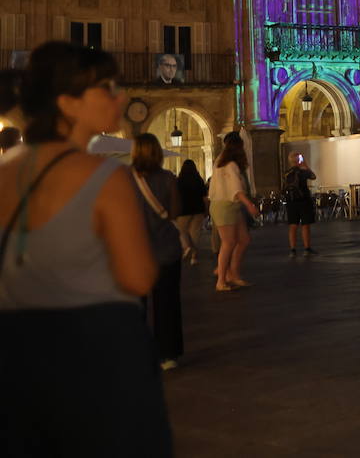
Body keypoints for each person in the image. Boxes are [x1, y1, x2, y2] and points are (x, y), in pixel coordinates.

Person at [0, 42, 173, 455]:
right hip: (97, 350)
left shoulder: (5, 173)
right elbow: (138, 277)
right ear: (68, 103)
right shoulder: (104, 177)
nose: (122, 95)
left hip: (16, 351)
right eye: (107, 87)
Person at [130, 133, 184, 369]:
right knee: (167, 303)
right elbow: (175, 213)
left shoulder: (124, 180)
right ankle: (168, 354)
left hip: (134, 253)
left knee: (135, 306)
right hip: (166, 251)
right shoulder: (169, 179)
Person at [210, 132, 260, 291]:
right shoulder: (230, 164)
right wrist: (249, 205)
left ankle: (233, 273)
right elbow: (235, 189)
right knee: (228, 242)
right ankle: (221, 280)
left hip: (230, 205)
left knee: (244, 239)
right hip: (225, 205)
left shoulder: (220, 161)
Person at [282, 153, 317, 257]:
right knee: (305, 224)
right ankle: (307, 248)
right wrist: (305, 165)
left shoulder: (286, 173)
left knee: (293, 225)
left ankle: (292, 250)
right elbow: (313, 176)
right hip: (303, 200)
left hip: (291, 201)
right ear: (298, 161)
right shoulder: (302, 172)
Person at [174, 159, 207, 265]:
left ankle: (187, 246)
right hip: (198, 210)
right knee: (195, 233)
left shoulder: (179, 180)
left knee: (182, 231)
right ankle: (194, 257)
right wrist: (206, 209)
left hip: (183, 210)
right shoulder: (199, 180)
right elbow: (205, 197)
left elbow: (175, 197)